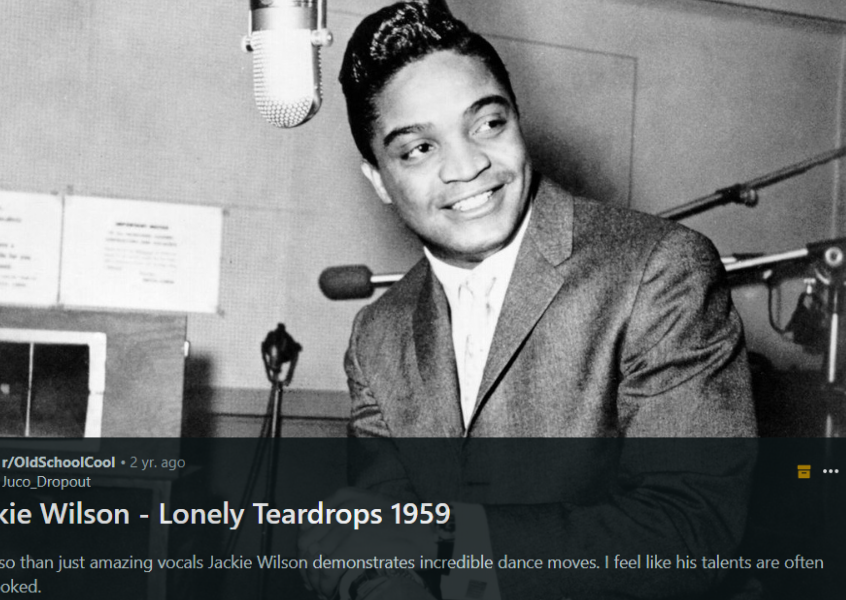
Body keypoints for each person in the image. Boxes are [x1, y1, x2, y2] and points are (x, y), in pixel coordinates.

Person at [299, 3, 757, 599]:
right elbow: (381, 525)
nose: (468, 166)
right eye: (418, 149)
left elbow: (693, 531)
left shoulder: (658, 269)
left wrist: (441, 539)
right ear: (380, 180)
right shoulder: (376, 334)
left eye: (487, 124)